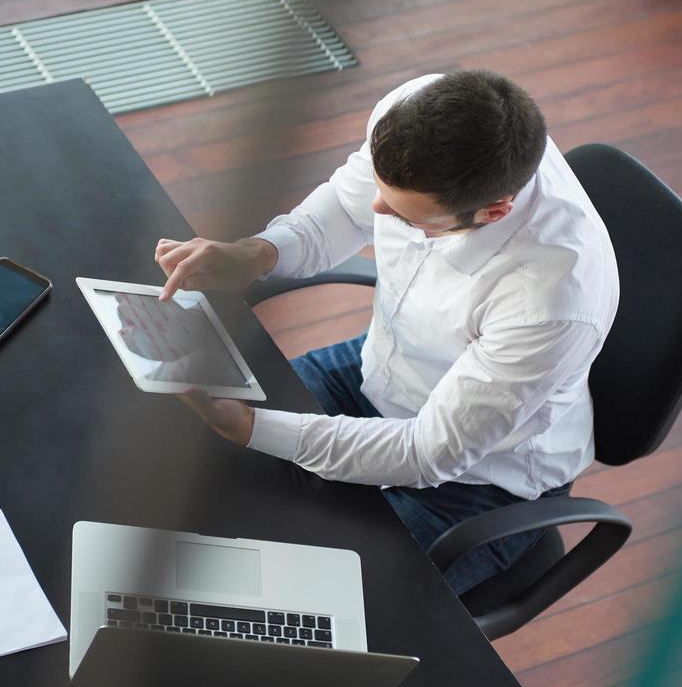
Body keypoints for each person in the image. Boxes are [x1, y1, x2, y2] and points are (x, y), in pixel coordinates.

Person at [156, 70, 619, 595]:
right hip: (381, 367)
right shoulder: (415, 109)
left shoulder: (549, 300)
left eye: (406, 216)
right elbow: (345, 208)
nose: (378, 211)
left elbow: (429, 454)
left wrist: (248, 427)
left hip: (480, 478)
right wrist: (257, 253)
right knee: (183, 448)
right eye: (383, 192)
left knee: (304, 596)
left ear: (493, 211)